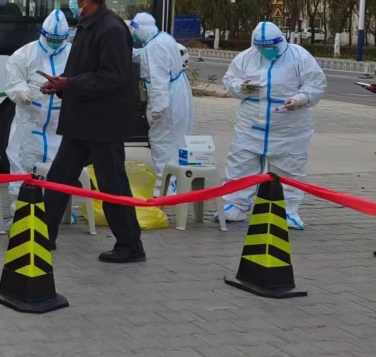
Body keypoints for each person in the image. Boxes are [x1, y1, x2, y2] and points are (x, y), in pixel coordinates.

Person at [40, 0, 145, 263]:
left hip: (103, 123)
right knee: (59, 179)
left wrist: (70, 84)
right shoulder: (87, 25)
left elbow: (113, 76)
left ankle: (130, 246)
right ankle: (43, 236)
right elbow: (84, 68)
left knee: (113, 185)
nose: (70, 0)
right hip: (81, 121)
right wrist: (61, 83)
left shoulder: (111, 28)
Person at [218, 21, 326, 229]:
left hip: (289, 125)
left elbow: (316, 84)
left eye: (271, 47)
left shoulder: (299, 56)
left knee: (290, 168)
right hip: (251, 123)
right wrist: (242, 87)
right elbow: (230, 80)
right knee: (240, 163)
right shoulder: (246, 57)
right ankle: (234, 204)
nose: (266, 51)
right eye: (262, 48)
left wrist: (300, 99)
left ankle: (287, 211)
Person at [3, 9, 70, 197]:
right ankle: (20, 206)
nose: (54, 43)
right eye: (51, 39)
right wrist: (22, 92)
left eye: (58, 40)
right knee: (24, 163)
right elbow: (14, 78)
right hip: (30, 120)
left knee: (58, 166)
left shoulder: (73, 54)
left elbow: (81, 80)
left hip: (58, 122)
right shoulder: (25, 54)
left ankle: (55, 206)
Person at [130, 12, 193, 195]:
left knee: (161, 142)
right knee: (173, 141)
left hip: (166, 102)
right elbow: (145, 56)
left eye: (134, 32)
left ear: (141, 29)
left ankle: (164, 189)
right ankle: (172, 185)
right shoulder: (161, 38)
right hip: (176, 95)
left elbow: (159, 80)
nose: (134, 36)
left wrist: (157, 108)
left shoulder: (155, 46)